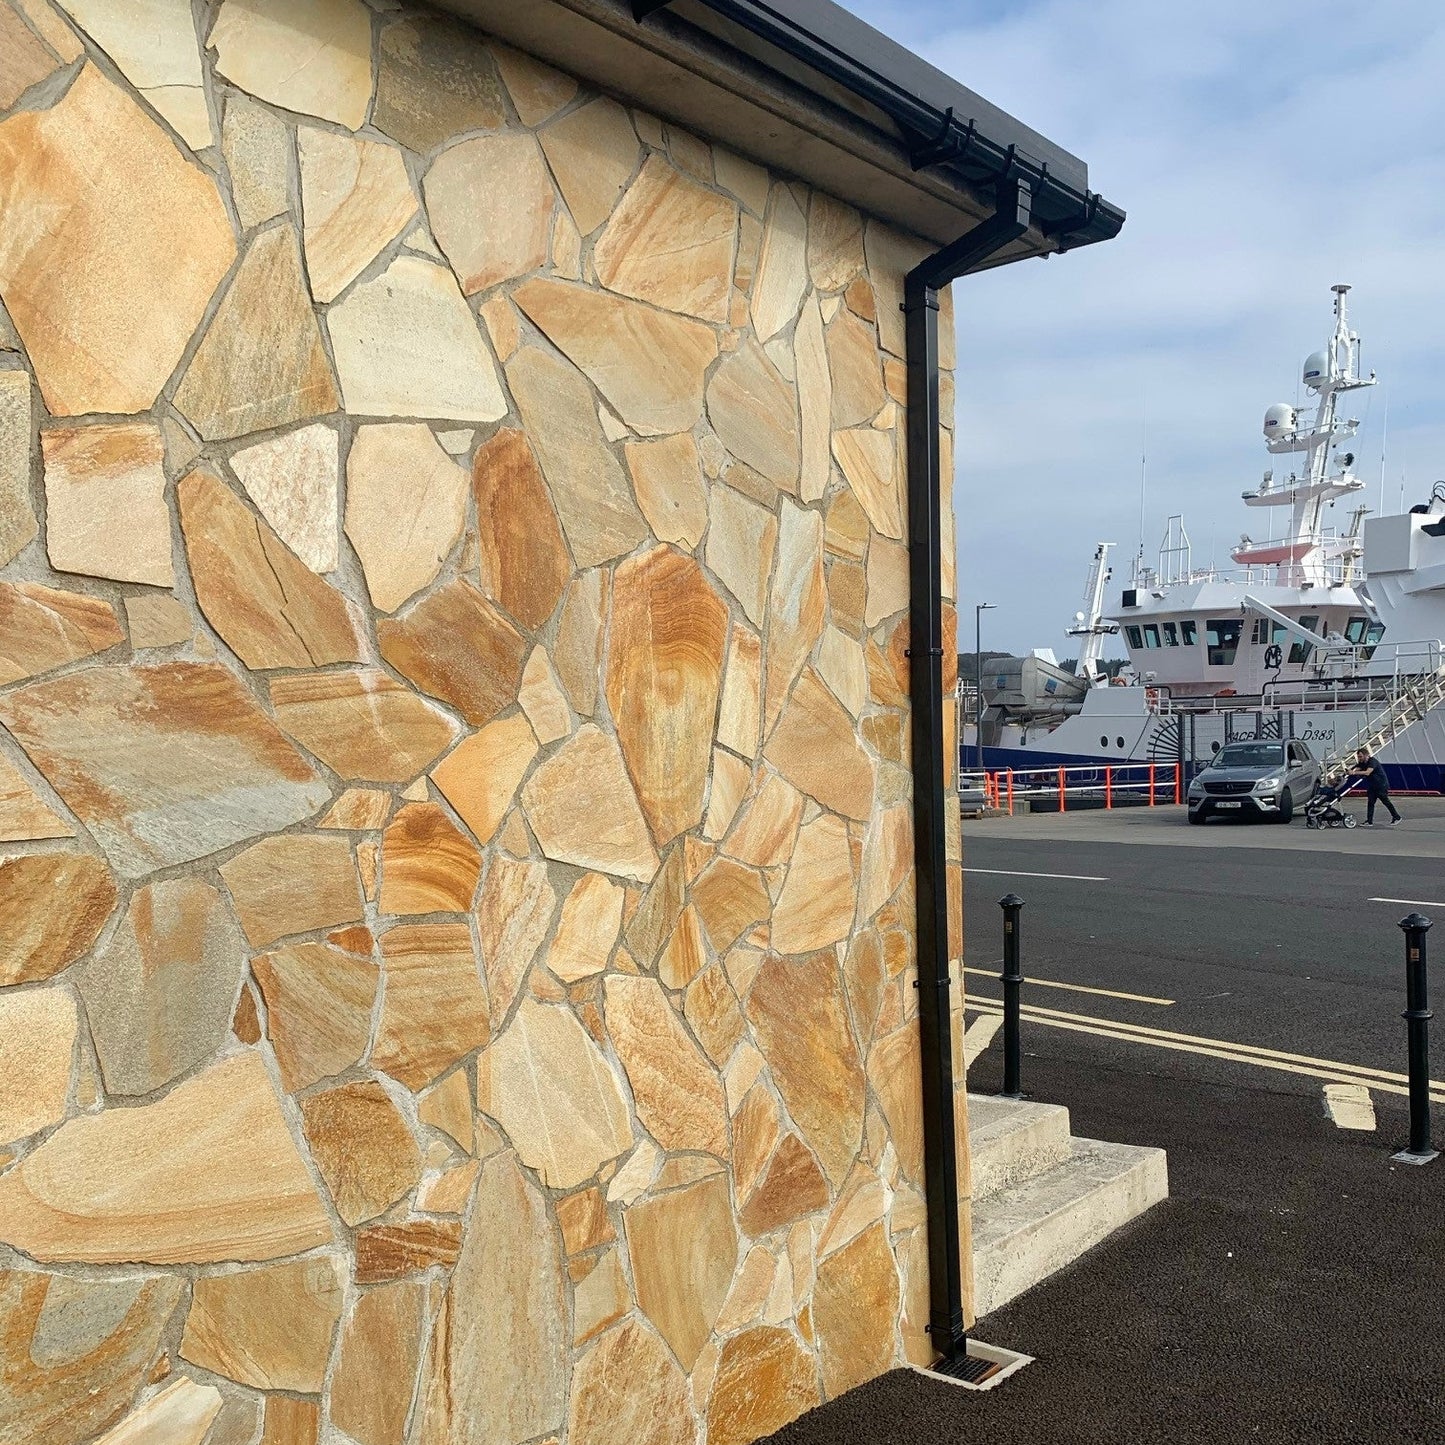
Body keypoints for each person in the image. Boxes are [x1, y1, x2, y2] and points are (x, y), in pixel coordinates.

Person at [1349, 748, 1401, 826]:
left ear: (1366, 755)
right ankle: (1369, 821)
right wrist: (1350, 772)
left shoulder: (1372, 761)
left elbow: (1367, 772)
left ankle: (1397, 817)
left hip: (1381, 785)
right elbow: (1357, 770)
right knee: (1370, 803)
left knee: (1385, 801)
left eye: (1360, 756)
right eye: (1358, 757)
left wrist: (1354, 773)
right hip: (1372, 785)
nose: (1359, 758)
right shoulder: (1362, 763)